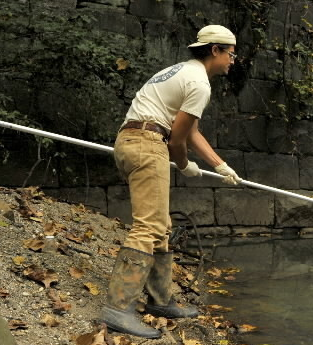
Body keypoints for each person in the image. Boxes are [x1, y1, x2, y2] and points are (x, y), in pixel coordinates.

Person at [101, 25, 243, 338]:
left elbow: (188, 129)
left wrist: (220, 165)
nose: (233, 60)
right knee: (148, 227)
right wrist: (184, 164)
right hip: (147, 143)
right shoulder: (199, 83)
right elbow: (178, 139)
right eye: (231, 53)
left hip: (133, 140)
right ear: (215, 50)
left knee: (161, 224)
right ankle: (118, 307)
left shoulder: (181, 71)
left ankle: (160, 300)